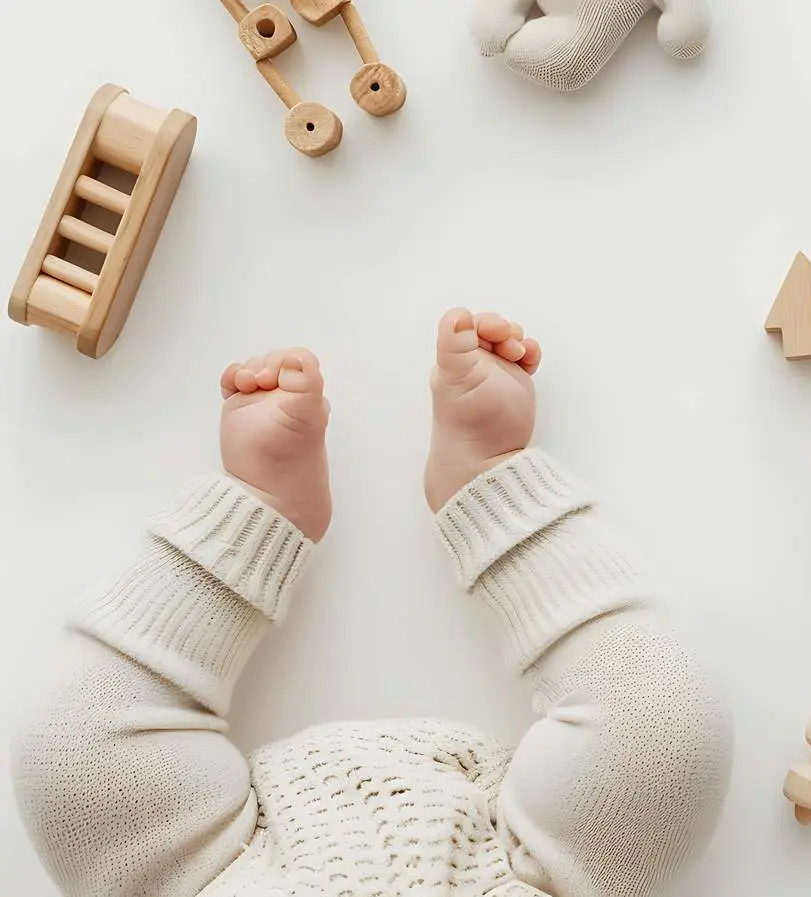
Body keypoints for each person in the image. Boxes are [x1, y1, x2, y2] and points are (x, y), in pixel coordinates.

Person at [11, 308, 734, 897]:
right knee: (663, 732)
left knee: (75, 766)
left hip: (223, 879)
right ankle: (491, 487)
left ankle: (256, 511)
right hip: (523, 879)